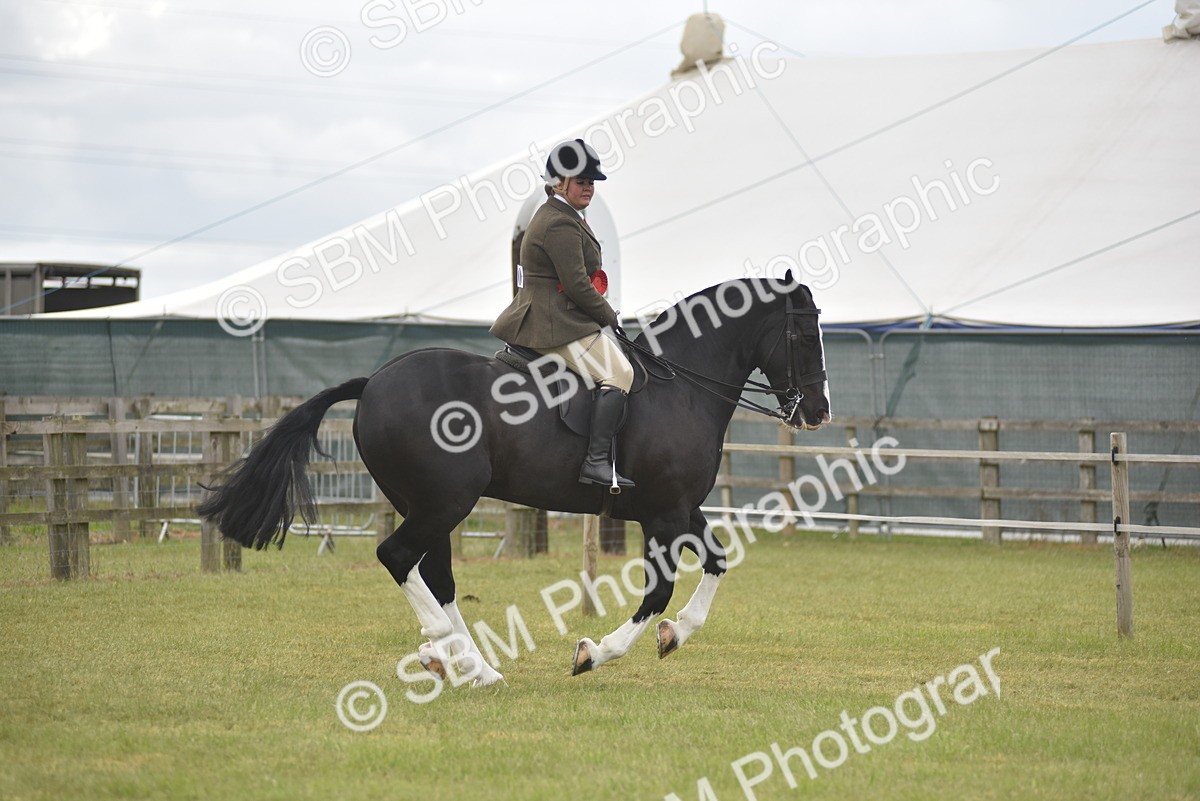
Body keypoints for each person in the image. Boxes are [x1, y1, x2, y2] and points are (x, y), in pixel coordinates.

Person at [490, 139, 635, 490]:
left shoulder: (565, 215)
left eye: (592, 182)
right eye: (581, 181)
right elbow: (577, 286)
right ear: (558, 183)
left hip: (558, 315)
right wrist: (609, 316)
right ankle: (596, 462)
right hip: (552, 322)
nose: (588, 187)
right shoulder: (559, 223)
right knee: (621, 374)